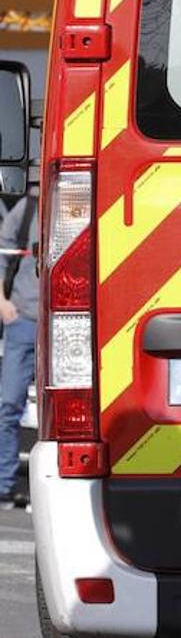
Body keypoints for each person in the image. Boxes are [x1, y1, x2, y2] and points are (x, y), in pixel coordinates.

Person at [0, 193, 36, 510]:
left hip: (68, 325)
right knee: (9, 404)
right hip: (24, 321)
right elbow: (1, 252)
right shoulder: (29, 209)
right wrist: (2, 302)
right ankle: (5, 487)